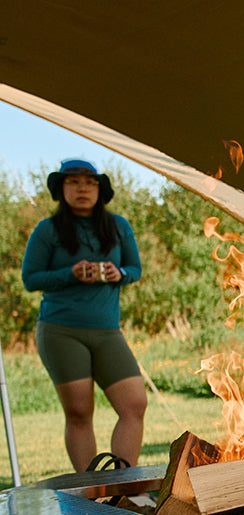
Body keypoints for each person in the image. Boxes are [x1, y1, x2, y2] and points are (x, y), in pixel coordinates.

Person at [21, 158, 147, 472]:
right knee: (79, 412)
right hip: (61, 330)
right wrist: (70, 273)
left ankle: (122, 486)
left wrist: (118, 273)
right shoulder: (48, 230)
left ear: (100, 190)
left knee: (134, 403)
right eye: (74, 182)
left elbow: (135, 269)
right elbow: (31, 278)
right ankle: (90, 491)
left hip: (107, 331)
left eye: (90, 183)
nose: (82, 189)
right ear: (61, 189)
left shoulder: (118, 226)